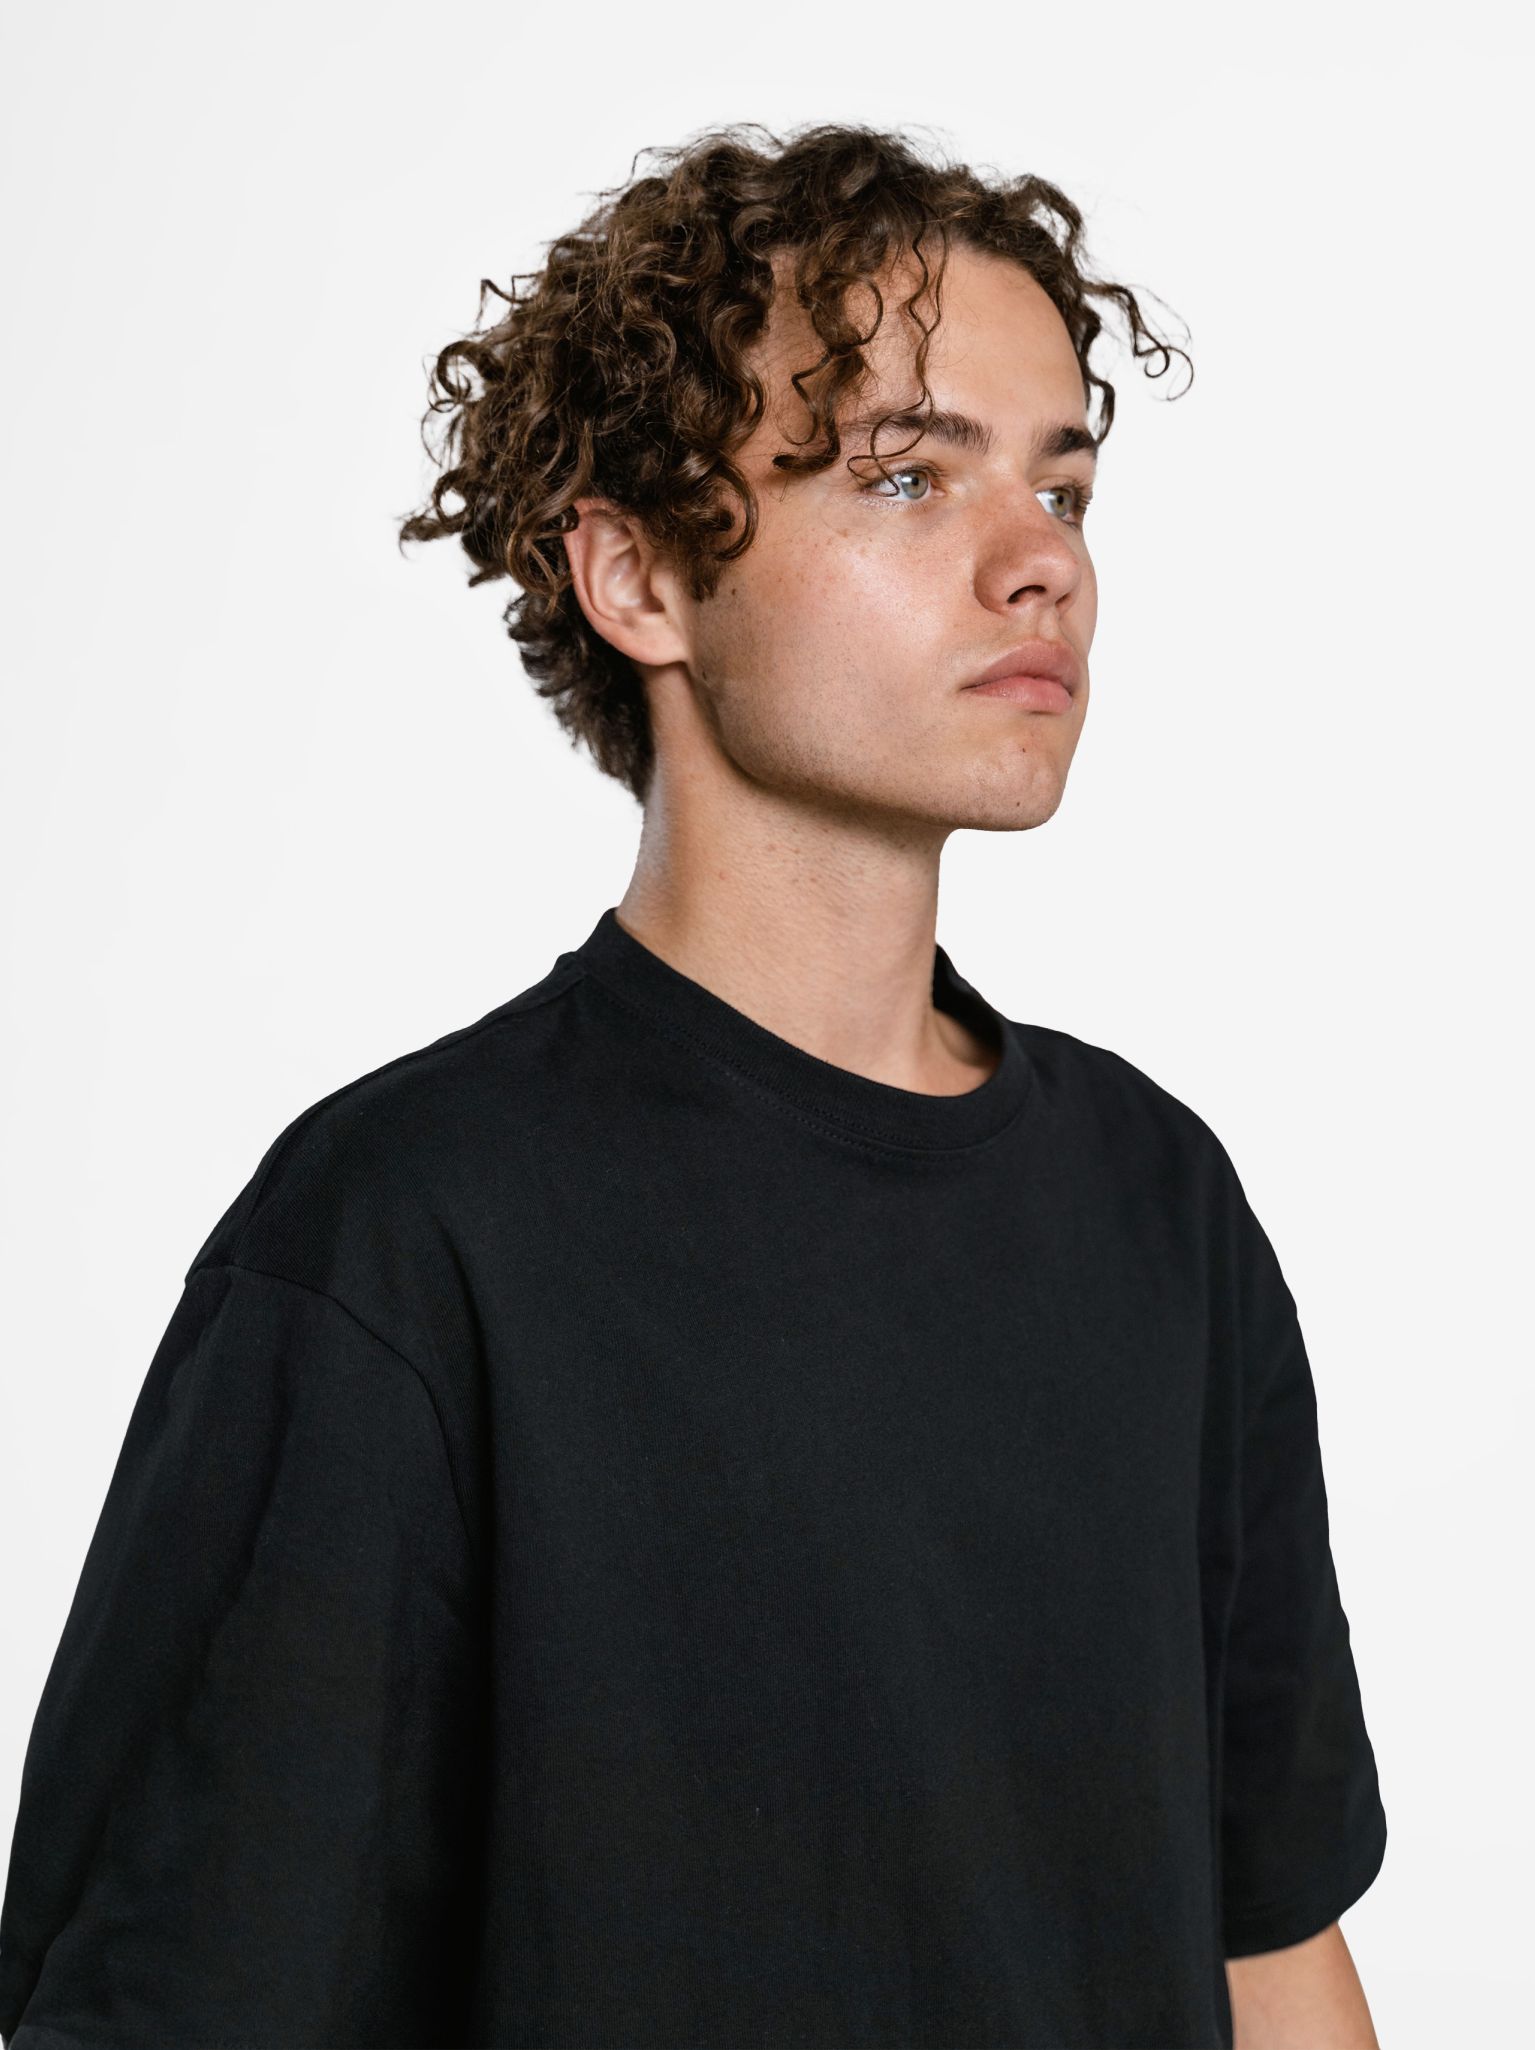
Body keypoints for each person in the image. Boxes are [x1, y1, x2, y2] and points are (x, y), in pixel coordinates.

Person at [0, 121, 1387, 2049]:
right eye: (906, 474)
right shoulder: (402, 1237)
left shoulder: (1162, 1209)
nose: (1042, 565)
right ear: (638, 572)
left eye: (1063, 486)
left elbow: (1270, 1948)